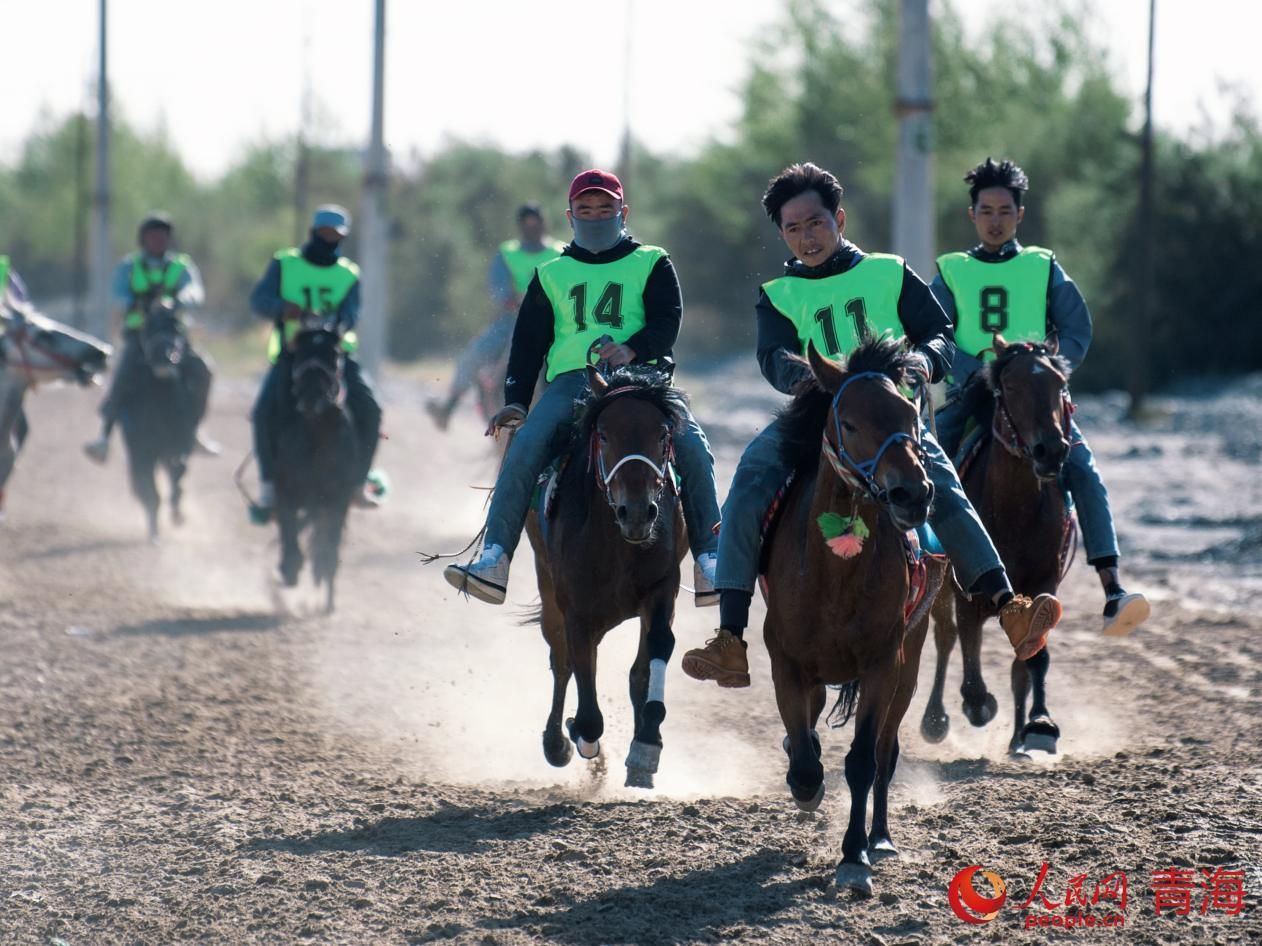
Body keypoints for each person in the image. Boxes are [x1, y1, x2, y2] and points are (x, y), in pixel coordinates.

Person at [681, 162, 1062, 688]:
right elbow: (772, 359)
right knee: (751, 476)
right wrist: (815, 381)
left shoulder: (889, 271)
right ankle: (730, 636)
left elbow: (938, 333)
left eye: (815, 223)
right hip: (817, 415)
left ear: (838, 218)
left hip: (889, 416)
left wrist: (925, 363)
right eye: (793, 229)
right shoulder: (777, 294)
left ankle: (1009, 605)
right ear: (782, 235)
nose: (806, 237)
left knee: (945, 488)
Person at [442, 169, 721, 605]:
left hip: (642, 379)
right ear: (569, 216)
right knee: (525, 444)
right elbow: (529, 343)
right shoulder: (550, 273)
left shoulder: (652, 261)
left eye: (605, 208)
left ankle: (710, 560)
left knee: (694, 447)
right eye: (585, 209)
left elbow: (668, 321)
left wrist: (633, 348)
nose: (595, 215)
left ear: (622, 212)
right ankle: (494, 558)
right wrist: (515, 401)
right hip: (572, 380)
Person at [930, 157, 1149, 636]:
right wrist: (982, 370)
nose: (995, 219)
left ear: (1019, 215)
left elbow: (1077, 329)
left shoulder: (1042, 265)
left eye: (1004, 211)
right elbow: (936, 333)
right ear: (972, 215)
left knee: (1082, 467)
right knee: (928, 464)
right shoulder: (951, 270)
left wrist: (1049, 371)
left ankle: (1113, 588)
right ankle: (919, 569)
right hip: (973, 394)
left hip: (1033, 399)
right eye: (986, 210)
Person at [247, 204, 383, 518]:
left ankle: (358, 484)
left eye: (335, 236)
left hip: (336, 357)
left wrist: (338, 323)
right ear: (313, 233)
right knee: (263, 412)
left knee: (371, 409)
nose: (329, 240)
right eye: (324, 234)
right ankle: (268, 485)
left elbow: (352, 312)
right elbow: (259, 300)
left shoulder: (349, 272)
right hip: (292, 356)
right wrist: (283, 308)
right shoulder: (285, 263)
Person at [83, 213, 218, 462]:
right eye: (152, 235)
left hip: (174, 336)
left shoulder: (181, 265)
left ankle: (196, 429)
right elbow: (116, 295)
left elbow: (195, 291)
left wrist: (177, 301)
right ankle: (104, 436)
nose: (157, 240)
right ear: (143, 239)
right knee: (123, 374)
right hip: (140, 337)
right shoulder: (129, 266)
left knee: (203, 371)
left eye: (162, 235)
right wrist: (137, 303)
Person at [426, 204, 564, 429]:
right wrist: (512, 299)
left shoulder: (559, 252)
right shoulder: (507, 253)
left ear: (543, 224)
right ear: (520, 226)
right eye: (527, 224)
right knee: (476, 353)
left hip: (554, 320)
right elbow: (498, 288)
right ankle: (449, 406)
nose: (532, 228)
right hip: (514, 319)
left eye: (536, 223)